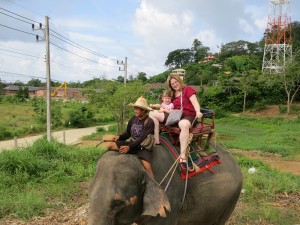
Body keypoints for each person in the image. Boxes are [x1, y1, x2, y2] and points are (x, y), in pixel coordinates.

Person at [149, 73, 203, 166]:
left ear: (179, 81)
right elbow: (165, 103)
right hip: (174, 114)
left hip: (187, 115)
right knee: (152, 113)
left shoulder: (187, 89)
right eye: (172, 84)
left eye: (176, 82)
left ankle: (183, 156)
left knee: (183, 124)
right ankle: (156, 140)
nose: (175, 84)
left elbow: (195, 102)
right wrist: (158, 108)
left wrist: (198, 111)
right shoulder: (172, 94)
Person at [103, 96, 155, 177]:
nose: (135, 111)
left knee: (147, 167)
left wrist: (129, 147)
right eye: (135, 108)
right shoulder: (133, 119)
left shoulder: (150, 122)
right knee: (110, 145)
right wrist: (119, 137)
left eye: (137, 109)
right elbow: (128, 133)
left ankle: (153, 186)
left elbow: (141, 138)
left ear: (144, 110)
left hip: (142, 147)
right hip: (132, 143)